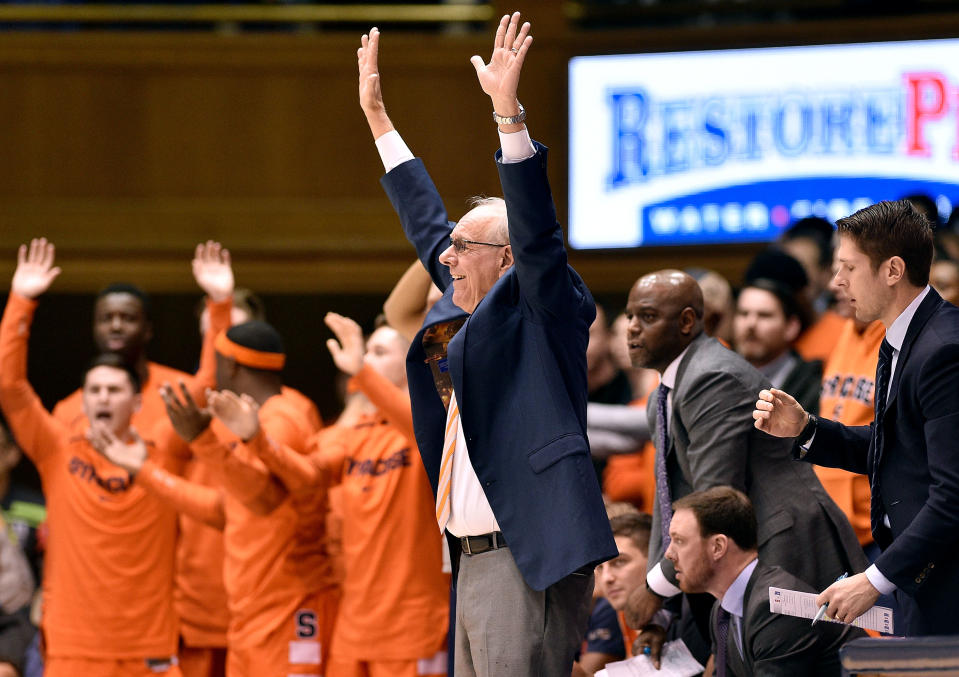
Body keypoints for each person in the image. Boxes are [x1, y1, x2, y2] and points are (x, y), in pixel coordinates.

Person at [357, 14, 616, 676]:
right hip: (469, 557)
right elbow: (424, 223)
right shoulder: (465, 305)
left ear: (506, 259)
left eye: (462, 248)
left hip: (523, 555)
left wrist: (509, 118)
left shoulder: (547, 307)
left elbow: (536, 234)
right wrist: (379, 120)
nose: (445, 259)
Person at [622, 269, 865, 656]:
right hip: (745, 552)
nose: (632, 328)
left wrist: (655, 589)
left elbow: (712, 501)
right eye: (630, 315)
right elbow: (670, 503)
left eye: (647, 317)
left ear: (687, 322)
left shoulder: (712, 376)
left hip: (787, 547)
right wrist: (663, 610)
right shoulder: (662, 395)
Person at [754, 199, 959, 636]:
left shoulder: (944, 349)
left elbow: (953, 495)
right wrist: (807, 429)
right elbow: (899, 449)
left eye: (848, 267)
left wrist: (874, 578)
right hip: (919, 573)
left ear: (892, 271)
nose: (835, 281)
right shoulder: (902, 336)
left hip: (945, 583)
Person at [0, 238, 183, 677]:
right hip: (78, 621)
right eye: (94, 391)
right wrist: (21, 300)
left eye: (114, 391)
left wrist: (218, 309)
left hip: (154, 614)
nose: (117, 326)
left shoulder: (173, 413)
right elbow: (11, 389)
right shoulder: (61, 432)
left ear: (137, 402)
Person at [665, 487, 865, 676]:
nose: (668, 554)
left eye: (679, 541)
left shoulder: (777, 605)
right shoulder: (721, 611)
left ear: (718, 547)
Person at [733, 278, 822, 412]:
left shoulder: (813, 386)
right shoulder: (719, 376)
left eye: (764, 315)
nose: (750, 324)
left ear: (791, 327)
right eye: (744, 313)